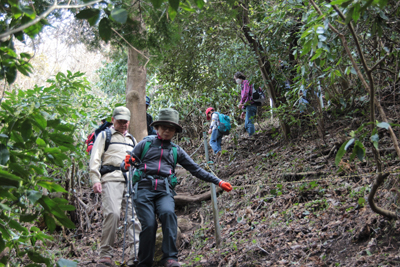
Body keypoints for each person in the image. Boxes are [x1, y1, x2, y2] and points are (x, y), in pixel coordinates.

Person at [122, 108, 233, 267]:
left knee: (168, 214)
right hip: (143, 189)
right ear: (157, 127)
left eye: (171, 128)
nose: (167, 131)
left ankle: (170, 258)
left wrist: (218, 181)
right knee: (149, 224)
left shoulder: (176, 150)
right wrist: (125, 164)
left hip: (164, 190)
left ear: (175, 131)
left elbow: (195, 169)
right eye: (164, 127)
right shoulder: (144, 144)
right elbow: (126, 164)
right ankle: (145, 262)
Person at [89, 106, 141, 267]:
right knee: (112, 213)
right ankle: (105, 254)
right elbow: (95, 158)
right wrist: (95, 179)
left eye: (126, 121)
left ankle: (136, 255)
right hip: (111, 178)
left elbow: (139, 162)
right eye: (120, 121)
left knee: (135, 217)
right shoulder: (105, 135)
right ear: (113, 120)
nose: (123, 124)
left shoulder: (132, 140)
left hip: (131, 180)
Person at [234, 71, 259, 136]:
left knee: (249, 123)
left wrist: (240, 103)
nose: (235, 80)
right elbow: (247, 98)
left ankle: (252, 137)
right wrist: (243, 111)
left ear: (239, 78)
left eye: (235, 79)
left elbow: (246, 94)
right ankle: (251, 136)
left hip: (251, 104)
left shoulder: (245, 82)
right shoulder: (243, 85)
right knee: (246, 124)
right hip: (248, 106)